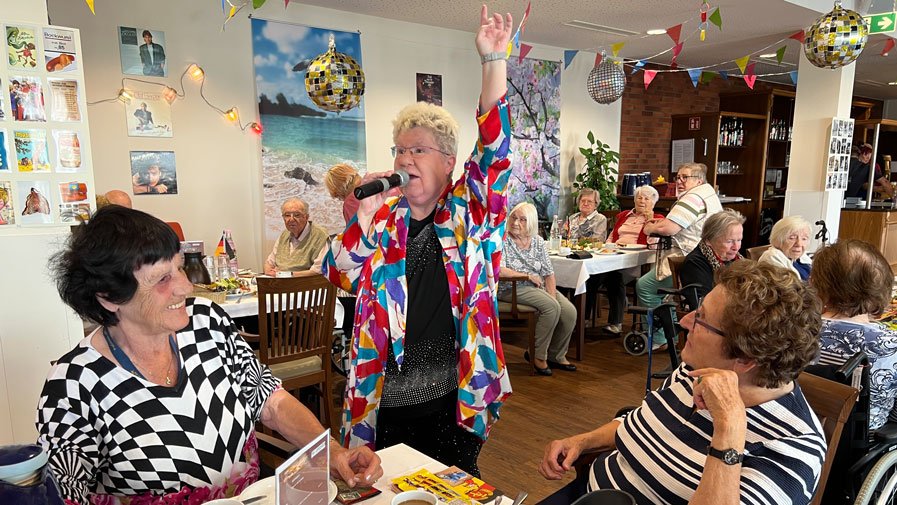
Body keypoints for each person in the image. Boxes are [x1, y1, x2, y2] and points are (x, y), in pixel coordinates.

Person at [37, 206, 382, 504]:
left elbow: (271, 402)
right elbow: (64, 495)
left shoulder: (206, 322)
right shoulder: (73, 386)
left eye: (179, 268)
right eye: (162, 279)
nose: (185, 287)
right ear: (109, 297)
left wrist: (333, 452)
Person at [322, 5, 513, 476]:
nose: (406, 158)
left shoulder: (468, 212)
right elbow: (338, 272)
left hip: (454, 397)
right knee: (384, 491)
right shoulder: (382, 219)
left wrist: (493, 61)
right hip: (381, 399)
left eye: (419, 149)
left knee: (454, 490)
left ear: (448, 162)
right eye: (400, 150)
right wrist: (363, 217)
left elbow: (494, 152)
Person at [538, 261, 826, 505]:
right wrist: (583, 441)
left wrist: (729, 427)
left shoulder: (794, 447)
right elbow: (644, 421)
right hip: (589, 494)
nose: (685, 321)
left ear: (745, 357)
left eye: (701, 319)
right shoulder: (697, 371)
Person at [812, 239, 897, 431]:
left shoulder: (793, 331)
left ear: (818, 284)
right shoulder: (891, 345)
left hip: (801, 429)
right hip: (867, 441)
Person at [637, 163, 722, 349]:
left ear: (699, 180)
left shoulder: (693, 198)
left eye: (686, 177)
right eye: (678, 177)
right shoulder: (708, 194)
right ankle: (672, 334)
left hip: (686, 259)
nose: (680, 181)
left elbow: (668, 228)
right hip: (705, 258)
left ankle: (660, 338)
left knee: (645, 287)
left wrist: (650, 227)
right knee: (668, 294)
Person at [498, 202, 577, 376]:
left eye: (522, 219)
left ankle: (556, 355)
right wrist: (526, 276)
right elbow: (500, 270)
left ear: (531, 222)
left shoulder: (538, 241)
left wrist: (552, 296)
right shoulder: (502, 239)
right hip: (512, 287)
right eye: (513, 217)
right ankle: (537, 355)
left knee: (569, 311)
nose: (516, 223)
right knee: (551, 307)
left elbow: (548, 273)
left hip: (537, 286)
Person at [600, 185, 664, 334]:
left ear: (653, 202)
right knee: (592, 276)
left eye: (646, 198)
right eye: (639, 197)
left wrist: (650, 221)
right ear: (634, 200)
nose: (642, 201)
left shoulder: (658, 219)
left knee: (614, 277)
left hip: (637, 262)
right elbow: (611, 237)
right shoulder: (624, 215)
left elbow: (654, 246)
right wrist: (609, 247)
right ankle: (583, 320)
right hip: (615, 256)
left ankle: (616, 323)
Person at [679, 208, 745, 311]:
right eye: (729, 241)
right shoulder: (695, 264)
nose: (736, 247)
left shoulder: (737, 259)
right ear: (708, 240)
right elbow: (705, 306)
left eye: (739, 240)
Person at [264, 197, 329, 276]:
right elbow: (269, 262)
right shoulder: (284, 234)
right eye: (287, 215)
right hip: (280, 281)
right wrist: (269, 271)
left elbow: (318, 271)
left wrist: (284, 275)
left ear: (306, 217)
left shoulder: (320, 236)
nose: (291, 219)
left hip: (306, 283)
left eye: (297, 215)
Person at [758, 216, 812, 281]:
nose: (799, 244)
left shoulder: (800, 257)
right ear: (778, 240)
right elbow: (791, 286)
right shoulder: (772, 258)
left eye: (804, 239)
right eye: (792, 238)